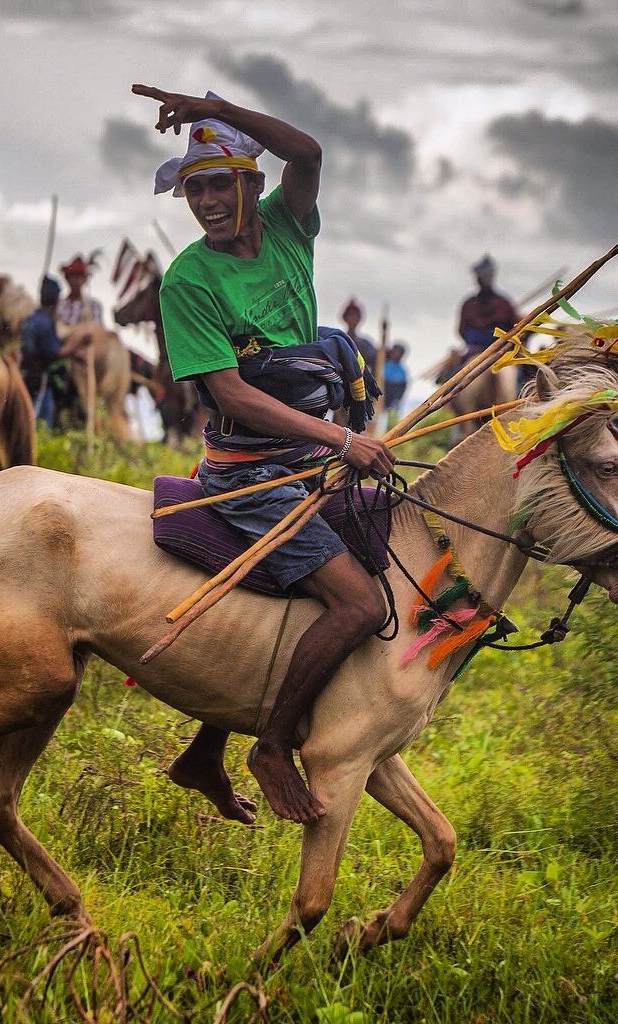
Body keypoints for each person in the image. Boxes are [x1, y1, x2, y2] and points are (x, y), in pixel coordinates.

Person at [134, 83, 394, 826]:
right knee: (358, 602)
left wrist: (213, 105)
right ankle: (272, 746)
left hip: (309, 460)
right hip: (249, 475)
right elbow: (235, 398)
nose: (208, 201)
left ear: (253, 185)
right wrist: (346, 439)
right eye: (194, 189)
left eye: (221, 184)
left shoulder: (287, 227)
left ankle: (204, 750)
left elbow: (307, 151)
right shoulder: (188, 280)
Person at [18, 276, 66, 428]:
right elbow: (54, 353)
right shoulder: (46, 322)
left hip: (25, 378)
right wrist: (78, 345)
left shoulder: (29, 320)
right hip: (41, 382)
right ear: (56, 300)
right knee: (41, 423)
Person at [457, 255, 517, 356]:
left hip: (502, 354)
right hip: (475, 355)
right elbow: (461, 331)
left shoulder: (503, 303)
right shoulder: (469, 305)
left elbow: (515, 328)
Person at [340, 297, 378, 367]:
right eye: (350, 315)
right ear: (345, 318)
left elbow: (375, 359)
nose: (353, 318)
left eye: (355, 316)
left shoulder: (366, 344)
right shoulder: (339, 340)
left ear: (359, 319)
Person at [382, 342, 408, 417]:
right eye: (394, 351)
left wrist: (397, 399)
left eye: (398, 352)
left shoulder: (401, 370)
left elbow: (402, 387)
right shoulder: (383, 364)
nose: (395, 354)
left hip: (393, 399)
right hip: (381, 396)